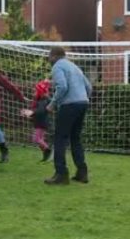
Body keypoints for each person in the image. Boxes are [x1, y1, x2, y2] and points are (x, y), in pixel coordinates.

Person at [44, 46, 91, 185]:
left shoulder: (57, 66)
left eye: (49, 56)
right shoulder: (74, 67)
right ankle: (82, 173)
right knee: (75, 138)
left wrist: (52, 104)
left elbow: (62, 86)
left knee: (60, 138)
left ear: (53, 56)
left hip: (69, 105)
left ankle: (61, 174)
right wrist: (82, 98)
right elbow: (89, 87)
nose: (48, 59)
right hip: (83, 103)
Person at [21, 78, 53, 162]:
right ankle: (46, 155)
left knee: (36, 139)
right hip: (39, 122)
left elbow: (40, 112)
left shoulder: (44, 101)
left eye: (35, 91)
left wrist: (31, 113)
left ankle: (48, 150)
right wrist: (28, 114)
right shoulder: (40, 100)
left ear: (40, 92)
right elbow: (36, 111)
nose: (33, 93)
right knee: (39, 139)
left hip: (41, 123)